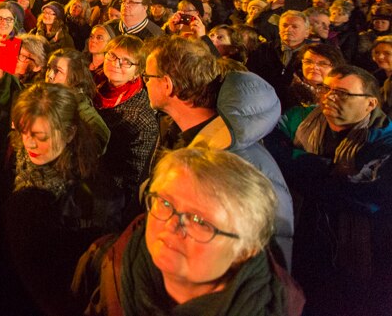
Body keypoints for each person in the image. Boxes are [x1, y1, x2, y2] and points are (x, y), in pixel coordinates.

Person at [73, 147, 304, 316]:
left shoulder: (274, 307)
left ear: (244, 250)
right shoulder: (111, 260)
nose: (172, 224)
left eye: (198, 220)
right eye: (164, 203)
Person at [142, 35, 294, 268]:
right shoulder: (190, 136)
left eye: (148, 77)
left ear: (167, 84)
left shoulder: (229, 163)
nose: (144, 83)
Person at [268, 65, 392, 311]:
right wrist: (325, 168)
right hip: (302, 243)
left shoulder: (384, 141)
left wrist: (294, 165)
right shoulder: (301, 118)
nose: (329, 97)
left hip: (354, 260)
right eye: (325, 88)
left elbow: (355, 193)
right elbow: (270, 142)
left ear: (371, 104)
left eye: (343, 93)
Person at [5, 83, 122, 315]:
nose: (29, 143)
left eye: (40, 136)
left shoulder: (93, 193)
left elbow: (86, 272)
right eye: (23, 132)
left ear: (69, 133)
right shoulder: (16, 157)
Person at [95, 34, 157, 221]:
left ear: (138, 71)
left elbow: (135, 174)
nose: (116, 64)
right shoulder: (92, 87)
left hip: (107, 196)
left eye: (126, 61)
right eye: (112, 56)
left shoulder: (141, 115)